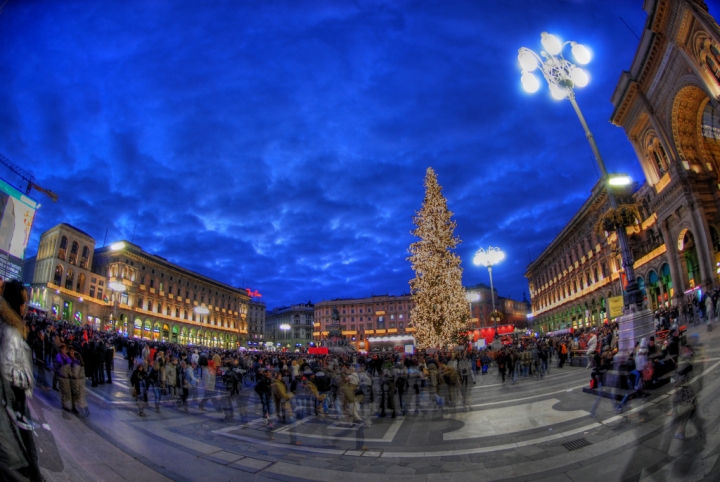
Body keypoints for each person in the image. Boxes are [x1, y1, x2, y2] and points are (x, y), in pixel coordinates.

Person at [0, 279, 43, 481]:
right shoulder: (12, 329)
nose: (25, 306)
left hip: (10, 399)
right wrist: (27, 378)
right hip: (12, 400)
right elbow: (9, 369)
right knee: (22, 448)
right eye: (23, 302)